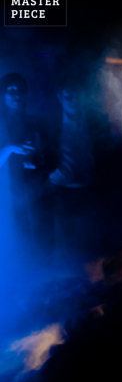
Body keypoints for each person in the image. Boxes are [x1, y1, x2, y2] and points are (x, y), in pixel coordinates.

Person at [49, 76, 116, 263]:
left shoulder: (96, 121)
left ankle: (90, 279)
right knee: (65, 242)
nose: (72, 99)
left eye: (75, 95)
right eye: (67, 95)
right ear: (60, 97)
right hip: (62, 190)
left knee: (91, 239)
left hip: (89, 188)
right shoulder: (52, 123)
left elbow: (108, 149)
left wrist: (109, 144)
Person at [0, 73, 57, 264]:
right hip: (7, 195)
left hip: (34, 191)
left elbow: (47, 156)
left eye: (21, 90)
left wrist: (40, 162)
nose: (17, 95)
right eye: (11, 91)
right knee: (17, 242)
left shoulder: (33, 121)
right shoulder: (1, 124)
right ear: (3, 95)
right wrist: (10, 147)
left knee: (42, 239)